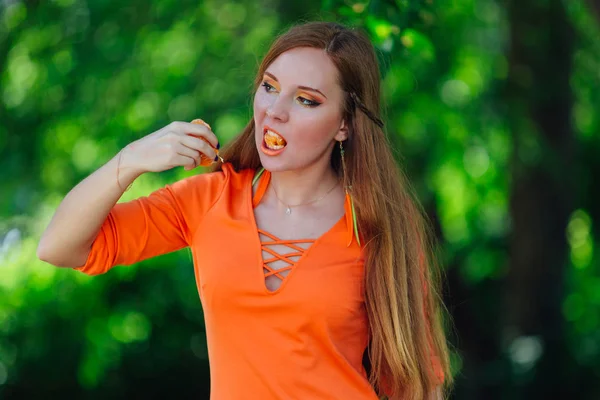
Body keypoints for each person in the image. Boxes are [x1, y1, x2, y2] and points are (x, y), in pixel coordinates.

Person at [38, 21, 452, 400]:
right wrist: (130, 160)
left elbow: (418, 383)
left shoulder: (380, 227)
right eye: (270, 87)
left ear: (344, 124)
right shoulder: (208, 199)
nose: (275, 111)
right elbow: (60, 247)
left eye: (306, 100)